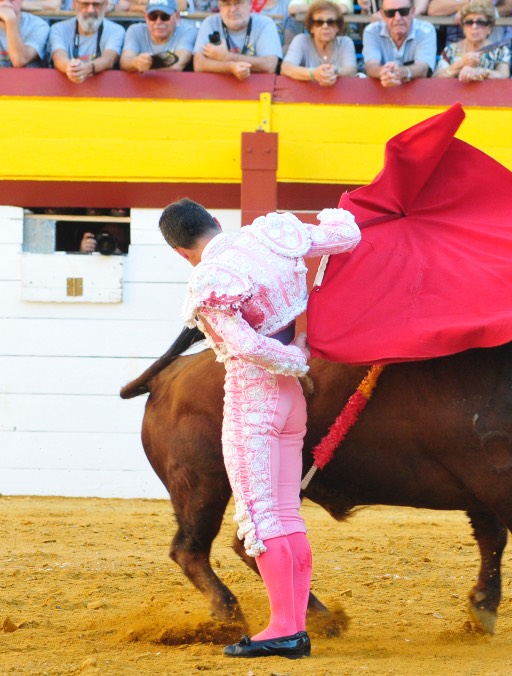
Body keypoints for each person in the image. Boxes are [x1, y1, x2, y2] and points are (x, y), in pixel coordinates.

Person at [158, 200, 360, 659]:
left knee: (261, 516)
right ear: (214, 220)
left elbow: (246, 346)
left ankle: (285, 628)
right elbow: (346, 234)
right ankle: (290, 626)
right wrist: (337, 211)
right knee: (286, 514)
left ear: (179, 251)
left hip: (255, 402)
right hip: (291, 402)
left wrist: (299, 359)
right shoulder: (270, 235)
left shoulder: (210, 278)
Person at [193, 0, 283, 80]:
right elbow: (199, 64)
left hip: (258, 92)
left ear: (250, 4)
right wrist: (230, 67)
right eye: (226, 3)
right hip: (217, 90)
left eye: (238, 3)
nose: (233, 9)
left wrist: (226, 57)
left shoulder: (265, 23)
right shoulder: (210, 22)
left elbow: (269, 65)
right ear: (219, 7)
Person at [279, 0, 357, 85]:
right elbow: (286, 68)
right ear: (311, 28)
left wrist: (334, 71)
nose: (325, 26)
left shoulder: (345, 42)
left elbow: (351, 70)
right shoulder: (301, 40)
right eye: (319, 22)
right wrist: (314, 74)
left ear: (337, 27)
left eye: (331, 22)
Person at [362, 0, 437, 86]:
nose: (397, 18)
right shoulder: (371, 31)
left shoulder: (426, 30)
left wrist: (401, 72)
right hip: (381, 92)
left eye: (403, 12)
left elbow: (423, 68)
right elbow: (371, 66)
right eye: (390, 13)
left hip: (417, 93)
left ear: (412, 12)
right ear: (383, 15)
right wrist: (384, 73)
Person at [49, 0, 125, 83]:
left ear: (106, 5)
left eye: (96, 4)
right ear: (74, 4)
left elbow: (109, 59)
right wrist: (71, 68)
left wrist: (87, 68)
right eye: (85, 4)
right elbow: (58, 56)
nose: (90, 10)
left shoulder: (116, 30)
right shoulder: (59, 28)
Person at [433, 1, 510, 81]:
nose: (474, 26)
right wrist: (461, 63)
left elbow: (504, 75)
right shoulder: (450, 50)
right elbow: (436, 79)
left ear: (490, 28)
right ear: (463, 27)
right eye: (469, 22)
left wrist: (481, 71)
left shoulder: (499, 50)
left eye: (481, 22)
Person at [120, 0, 196, 72]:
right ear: (146, 17)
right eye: (153, 16)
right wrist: (136, 62)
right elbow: (124, 61)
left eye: (165, 16)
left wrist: (143, 67)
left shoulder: (187, 31)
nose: (158, 21)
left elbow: (176, 65)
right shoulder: (135, 30)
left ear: (177, 16)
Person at [0, 0, 49, 68]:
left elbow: (19, 60)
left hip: (26, 78)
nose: (6, 2)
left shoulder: (38, 25)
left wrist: (10, 19)